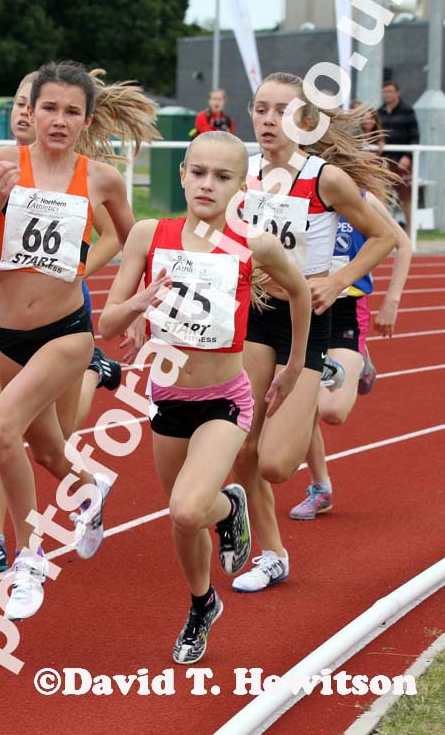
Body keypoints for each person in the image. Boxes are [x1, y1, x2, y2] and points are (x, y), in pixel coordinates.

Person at [0, 61, 158, 620]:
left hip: (66, 334)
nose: (58, 120)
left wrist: (107, 288)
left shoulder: (101, 178)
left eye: (71, 111)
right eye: (49, 108)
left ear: (87, 120)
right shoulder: (1, 164)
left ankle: (29, 558)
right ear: (30, 111)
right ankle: (92, 483)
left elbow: (131, 238)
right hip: (5, 334)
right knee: (44, 450)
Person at [99, 131, 312, 664]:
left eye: (223, 177)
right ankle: (202, 603)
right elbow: (106, 321)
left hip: (226, 400)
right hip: (168, 399)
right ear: (182, 174)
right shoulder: (151, 234)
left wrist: (294, 365)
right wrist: (141, 303)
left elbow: (302, 292)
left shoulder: (255, 243)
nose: (208, 185)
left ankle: (227, 505)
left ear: (243, 185)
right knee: (181, 520)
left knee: (189, 508)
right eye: (198, 173)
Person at [230, 72, 395, 594]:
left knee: (277, 463)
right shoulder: (244, 172)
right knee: (244, 445)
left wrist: (339, 280)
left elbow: (384, 236)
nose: (268, 120)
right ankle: (272, 552)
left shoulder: (326, 178)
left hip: (310, 322)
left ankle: (345, 366)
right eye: (260, 109)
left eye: (281, 111)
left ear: (304, 120)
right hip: (256, 317)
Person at [289, 191, 412, 520]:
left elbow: (403, 244)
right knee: (302, 405)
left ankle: (358, 360)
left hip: (345, 310)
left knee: (331, 411)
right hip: (303, 308)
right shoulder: (290, 194)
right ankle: (321, 488)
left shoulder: (361, 199)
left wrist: (392, 301)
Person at [378, 81, 420, 234]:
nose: (387, 95)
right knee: (383, 196)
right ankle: (385, 231)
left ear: (397, 93)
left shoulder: (408, 110)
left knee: (406, 198)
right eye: (385, 92)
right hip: (385, 161)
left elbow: (415, 136)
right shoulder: (380, 111)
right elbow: (377, 133)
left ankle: (409, 231)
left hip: (402, 162)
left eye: (390, 91)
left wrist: (408, 156)